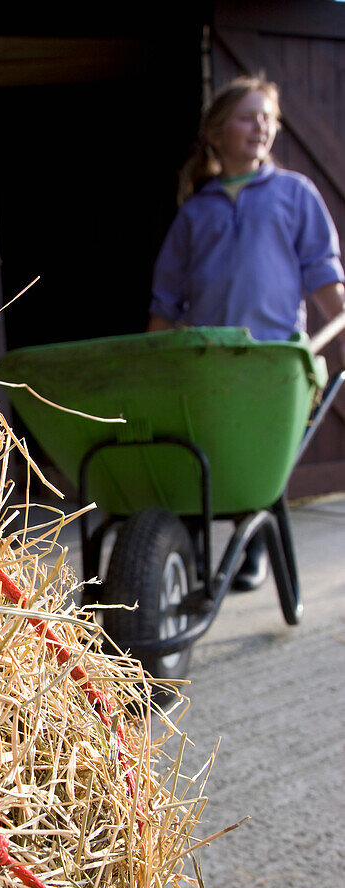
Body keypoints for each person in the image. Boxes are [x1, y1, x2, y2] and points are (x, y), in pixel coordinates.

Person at [147, 75, 345, 590]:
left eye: (268, 117)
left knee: (257, 455)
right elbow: (166, 301)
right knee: (201, 452)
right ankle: (187, 541)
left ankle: (251, 540)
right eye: (247, 115)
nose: (261, 125)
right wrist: (152, 358)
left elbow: (324, 278)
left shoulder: (293, 195)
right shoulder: (196, 213)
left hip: (274, 362)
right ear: (215, 132)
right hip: (209, 363)